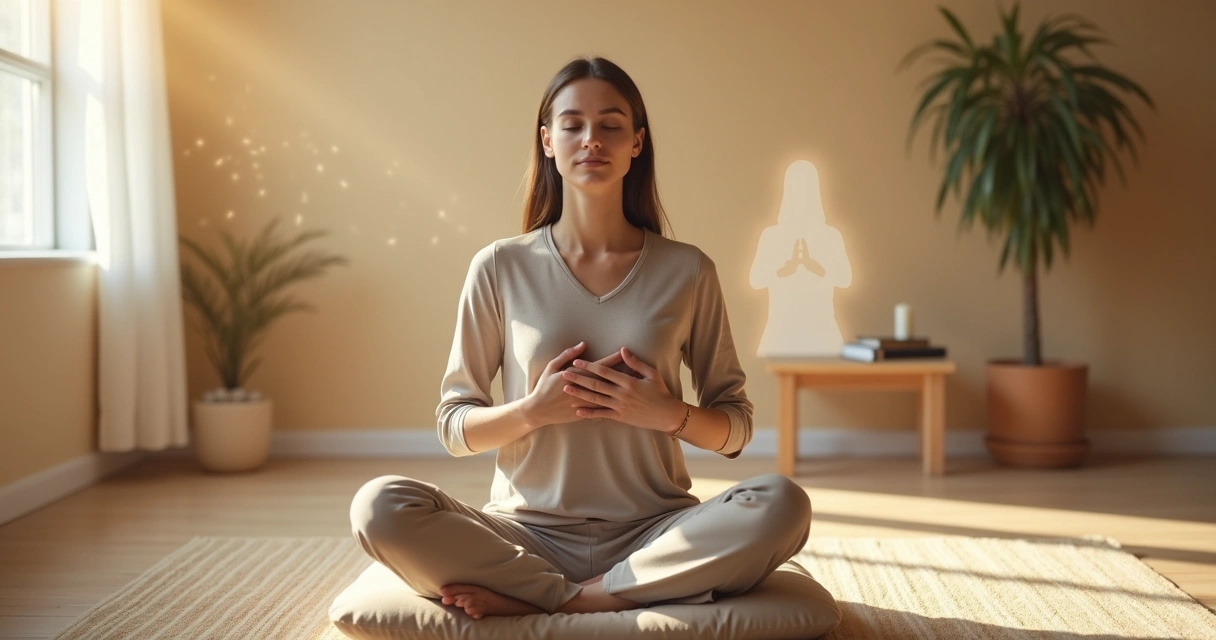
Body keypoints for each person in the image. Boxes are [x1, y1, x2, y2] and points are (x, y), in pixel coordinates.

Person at [350, 56, 812, 621]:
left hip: (655, 532)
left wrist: (667, 414)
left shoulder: (688, 270)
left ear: (637, 143)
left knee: (782, 503)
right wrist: (533, 412)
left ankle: (564, 598)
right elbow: (454, 427)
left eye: (611, 125)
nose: (592, 139)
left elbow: (735, 427)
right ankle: (590, 594)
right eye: (572, 125)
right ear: (547, 141)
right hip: (524, 536)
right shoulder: (499, 267)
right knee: (380, 506)